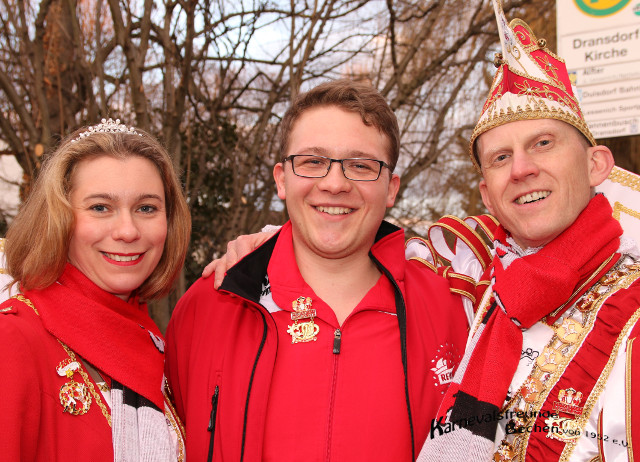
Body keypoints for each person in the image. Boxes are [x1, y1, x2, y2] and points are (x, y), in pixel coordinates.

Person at [164, 79, 469, 461]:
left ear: (391, 189)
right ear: (281, 179)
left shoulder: (452, 311)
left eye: (361, 165)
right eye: (313, 162)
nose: (335, 183)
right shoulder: (210, 307)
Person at [416, 2, 640, 461]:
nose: (521, 169)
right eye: (501, 158)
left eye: (543, 143)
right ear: (487, 194)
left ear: (596, 165)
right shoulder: (473, 290)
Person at [0, 119, 192, 461]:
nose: (128, 231)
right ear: (59, 218)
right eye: (100, 207)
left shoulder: (159, 345)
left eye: (146, 208)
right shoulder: (13, 338)